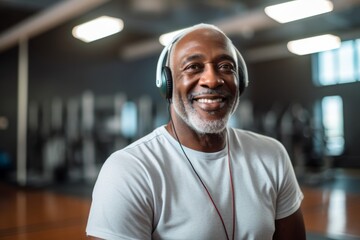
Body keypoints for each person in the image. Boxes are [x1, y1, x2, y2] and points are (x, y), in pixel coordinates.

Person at [86, 23, 306, 240]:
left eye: (226, 67)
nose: (212, 80)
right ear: (167, 84)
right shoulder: (129, 170)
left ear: (240, 81)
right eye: (193, 67)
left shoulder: (272, 155)